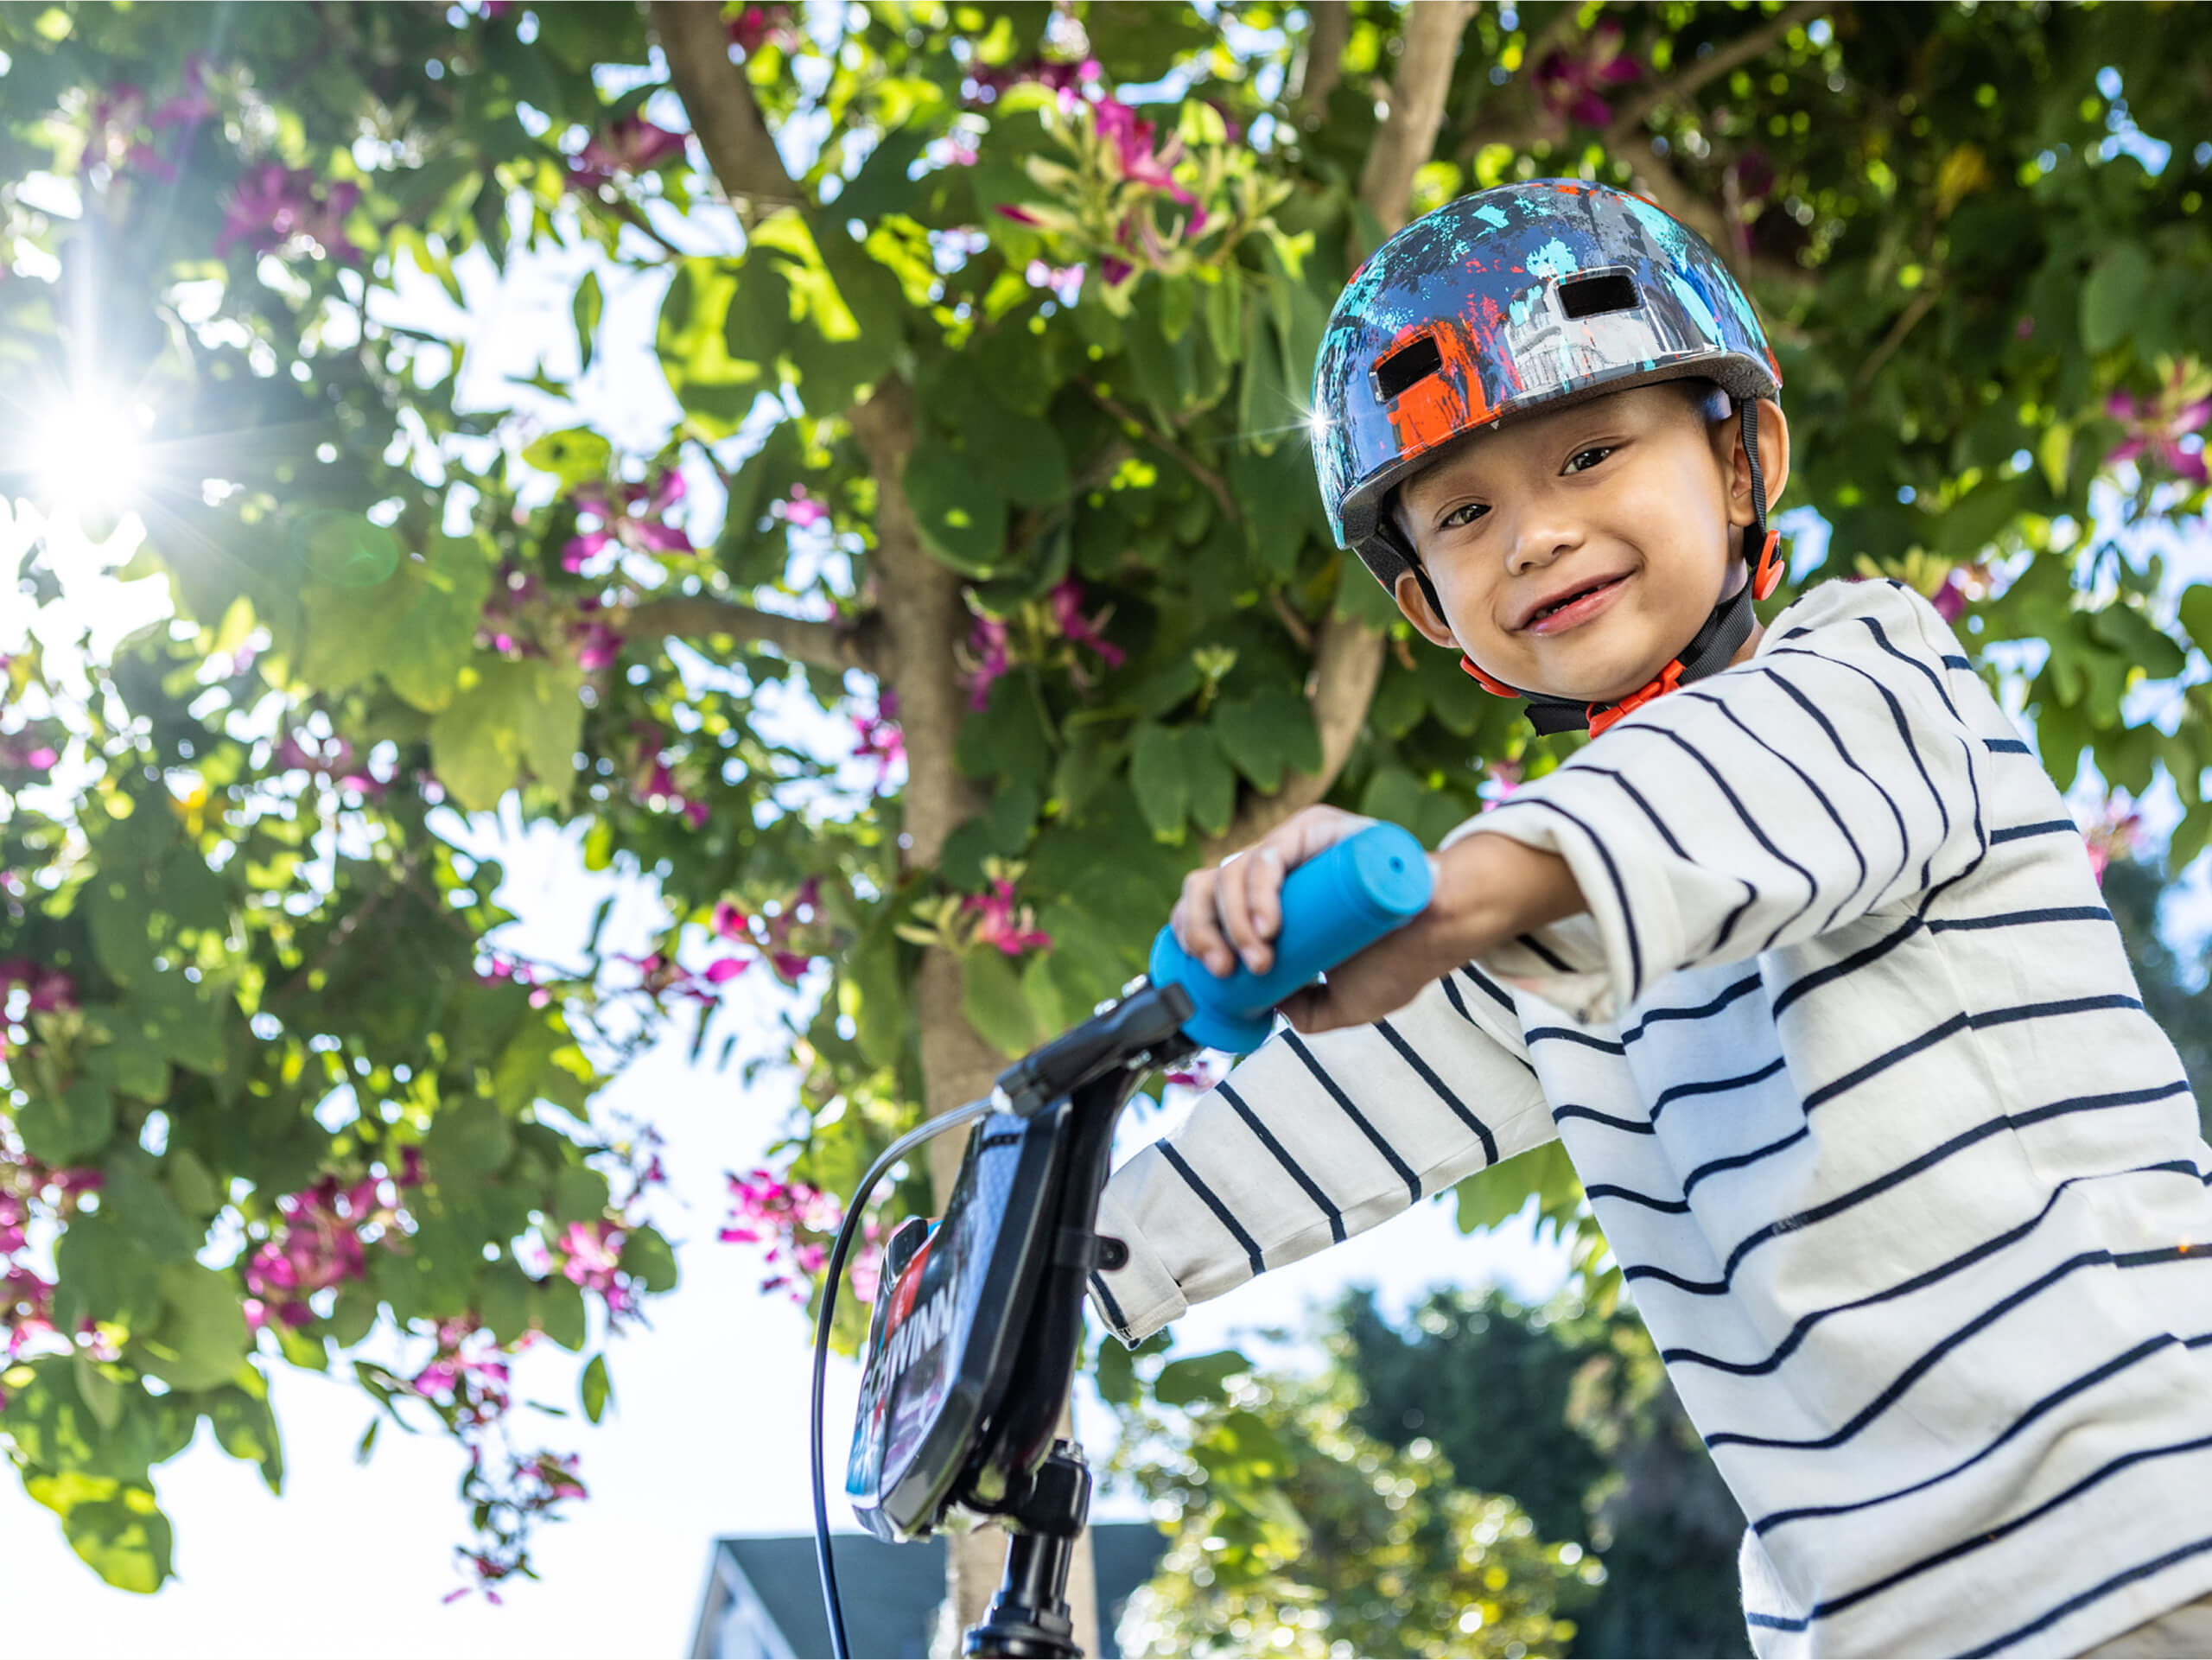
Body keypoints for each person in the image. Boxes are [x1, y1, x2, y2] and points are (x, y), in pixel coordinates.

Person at [1084, 181, 2212, 1659]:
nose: (1536, 537)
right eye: (1469, 512)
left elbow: (1697, 802)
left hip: (2144, 1542)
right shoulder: (1532, 945)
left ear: (1744, 462)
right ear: (1430, 604)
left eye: (1593, 452)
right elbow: (1306, 1123)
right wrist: (1033, 1264)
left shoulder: (1877, 679)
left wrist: (1438, 895)